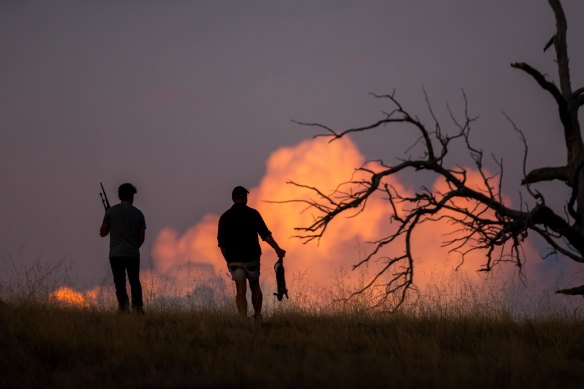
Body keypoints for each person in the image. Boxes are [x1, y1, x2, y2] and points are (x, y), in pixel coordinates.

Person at [217, 186, 286, 320]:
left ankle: (243, 319)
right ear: (245, 198)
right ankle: (257, 316)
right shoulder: (253, 214)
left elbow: (222, 245)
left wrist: (228, 261)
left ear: (233, 199)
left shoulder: (224, 218)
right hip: (251, 259)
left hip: (234, 261)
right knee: (255, 287)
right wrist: (277, 249)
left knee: (240, 291)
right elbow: (266, 236)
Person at [100, 183, 146, 314]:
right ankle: (138, 308)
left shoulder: (111, 212)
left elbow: (102, 232)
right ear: (131, 196)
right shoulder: (139, 214)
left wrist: (108, 219)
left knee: (119, 282)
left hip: (116, 254)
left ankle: (123, 308)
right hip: (132, 253)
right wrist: (133, 248)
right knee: (134, 281)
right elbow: (141, 238)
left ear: (119, 195)